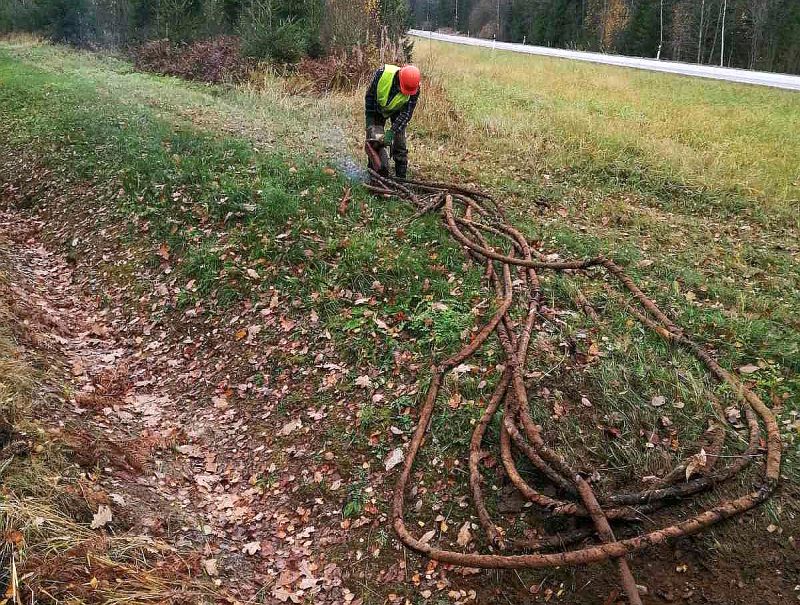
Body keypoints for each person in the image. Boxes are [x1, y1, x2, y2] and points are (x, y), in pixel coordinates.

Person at [364, 64, 421, 179]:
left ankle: (401, 179)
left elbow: (406, 114)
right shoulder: (381, 74)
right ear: (399, 78)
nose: (405, 93)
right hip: (378, 109)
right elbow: (370, 96)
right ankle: (374, 174)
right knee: (375, 140)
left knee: (400, 143)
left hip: (399, 112)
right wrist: (370, 121)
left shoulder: (415, 89)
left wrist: (392, 132)